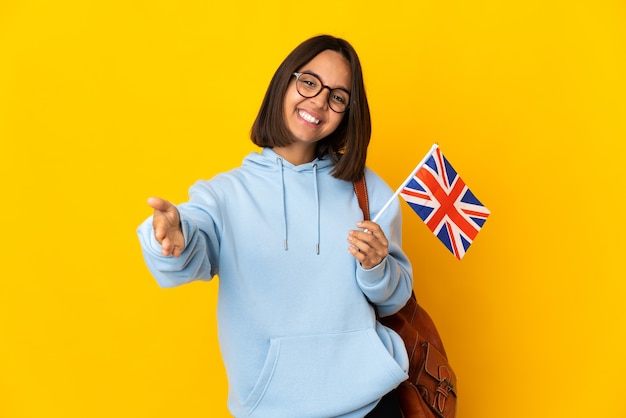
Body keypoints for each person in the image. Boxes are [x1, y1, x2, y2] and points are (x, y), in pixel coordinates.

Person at [137, 34, 413, 418]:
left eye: (337, 96)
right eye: (309, 82)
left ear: (348, 112)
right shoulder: (224, 195)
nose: (318, 101)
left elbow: (395, 298)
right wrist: (169, 238)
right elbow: (187, 249)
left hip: (371, 404)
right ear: (285, 82)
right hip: (273, 408)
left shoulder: (367, 189)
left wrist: (377, 267)